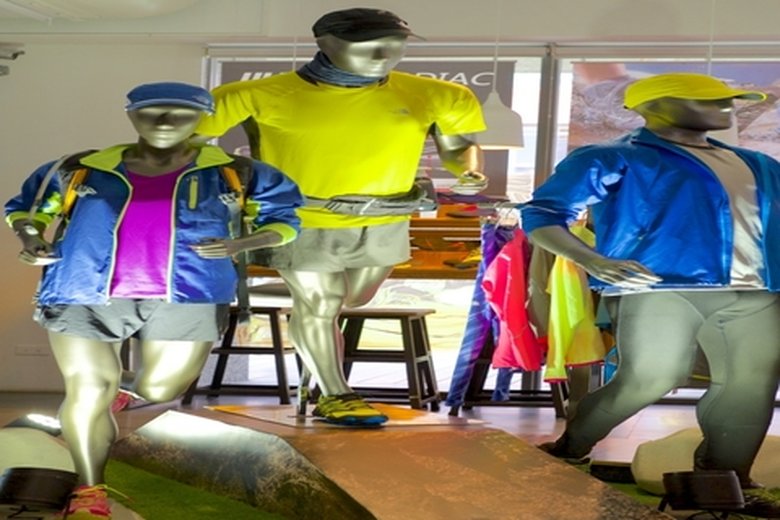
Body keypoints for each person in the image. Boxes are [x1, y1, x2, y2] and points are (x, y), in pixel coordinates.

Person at [4, 81, 302, 519]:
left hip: (190, 293)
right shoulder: (80, 168)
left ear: (202, 118)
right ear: (131, 114)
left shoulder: (238, 173)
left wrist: (242, 244)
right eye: (150, 111)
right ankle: (89, 490)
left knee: (162, 389)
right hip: (82, 290)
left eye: (181, 112)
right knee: (89, 389)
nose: (164, 121)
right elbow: (27, 209)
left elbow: (285, 221)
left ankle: (124, 387)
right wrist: (31, 237)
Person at [196, 8, 487, 426]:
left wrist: (468, 171)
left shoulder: (438, 95)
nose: (384, 55)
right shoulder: (253, 95)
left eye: (395, 45)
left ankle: (316, 366)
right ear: (326, 43)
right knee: (322, 301)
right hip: (301, 219)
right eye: (369, 46)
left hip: (386, 219)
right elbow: (187, 146)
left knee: (353, 298)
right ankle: (337, 394)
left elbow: (458, 146)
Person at [521, 72, 780, 517]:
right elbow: (543, 214)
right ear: (652, 105)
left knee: (751, 385)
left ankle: (726, 481)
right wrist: (592, 260)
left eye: (729, 99)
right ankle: (570, 448)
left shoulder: (759, 163)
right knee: (650, 377)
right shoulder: (613, 157)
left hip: (756, 290)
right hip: (660, 286)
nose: (726, 107)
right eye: (708, 100)